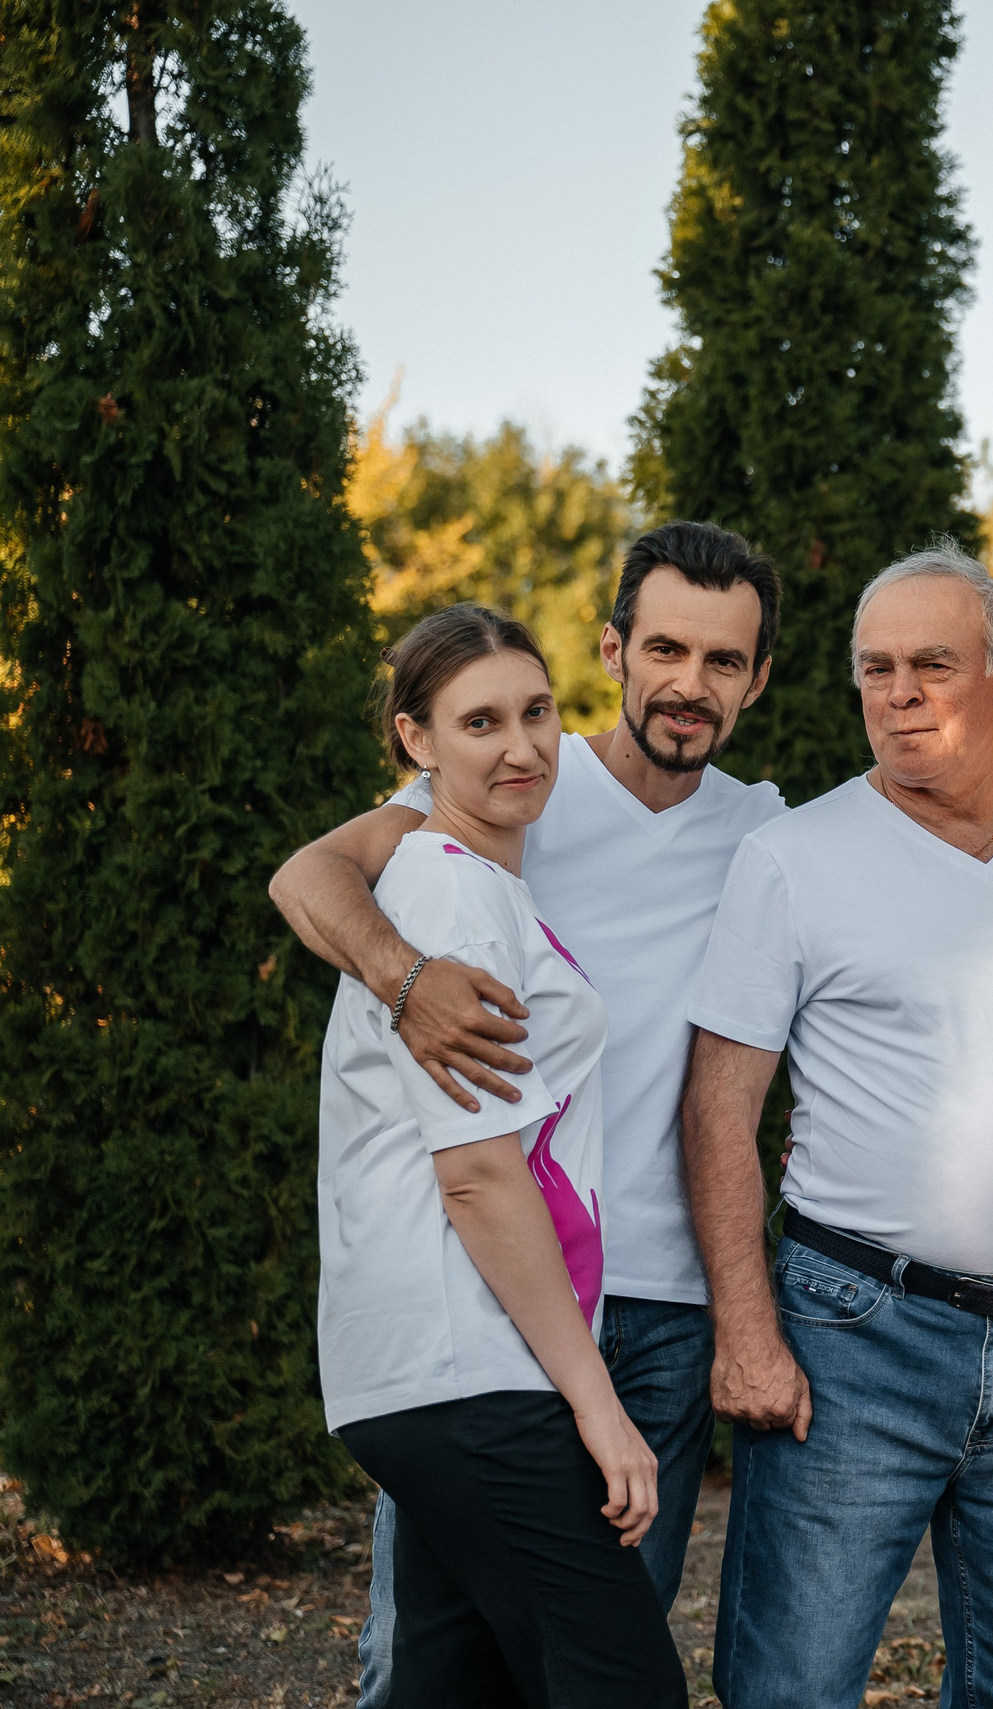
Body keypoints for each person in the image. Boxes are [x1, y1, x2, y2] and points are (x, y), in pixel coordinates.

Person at [271, 523, 993, 1704]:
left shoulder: (767, 828)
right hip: (507, 1295)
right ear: (615, 650)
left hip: (671, 1302)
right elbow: (307, 876)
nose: (690, 684)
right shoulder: (515, 782)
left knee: (604, 1640)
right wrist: (403, 975)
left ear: (758, 678)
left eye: (725, 661)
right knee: (438, 1655)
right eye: (666, 649)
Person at [683, 543, 993, 1709]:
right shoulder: (791, 858)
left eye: (931, 664)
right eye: (874, 668)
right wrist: (745, 1329)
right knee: (793, 1682)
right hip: (853, 1333)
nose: (898, 693)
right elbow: (717, 1106)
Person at [317, 602, 685, 1706]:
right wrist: (599, 1404)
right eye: (480, 721)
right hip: (466, 1361)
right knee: (619, 1683)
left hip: (429, 1365)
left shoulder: (473, 883)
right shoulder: (448, 889)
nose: (522, 746)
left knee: (451, 1683)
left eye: (537, 712)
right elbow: (477, 1173)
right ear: (416, 741)